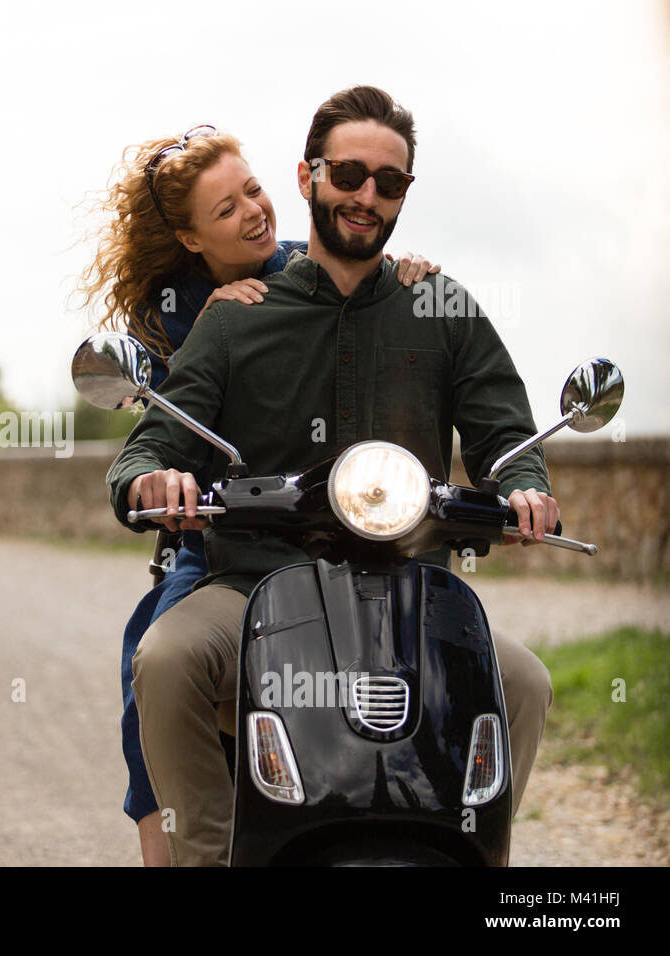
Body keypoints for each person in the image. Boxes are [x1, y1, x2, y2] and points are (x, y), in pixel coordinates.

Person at [105, 85, 558, 866]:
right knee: (166, 658)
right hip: (252, 587)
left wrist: (524, 483)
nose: (367, 196)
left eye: (390, 182)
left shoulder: (441, 305)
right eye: (349, 174)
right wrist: (152, 481)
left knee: (523, 681)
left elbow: (506, 434)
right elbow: (155, 443)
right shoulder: (234, 314)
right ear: (310, 175)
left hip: (410, 598)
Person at [78, 124, 439, 865]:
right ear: (188, 236)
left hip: (335, 524)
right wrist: (207, 332)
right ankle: (172, 851)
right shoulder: (170, 314)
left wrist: (407, 278)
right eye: (225, 209)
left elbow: (364, 299)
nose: (252, 212)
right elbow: (158, 434)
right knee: (152, 661)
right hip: (216, 532)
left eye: (253, 189)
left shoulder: (309, 267)